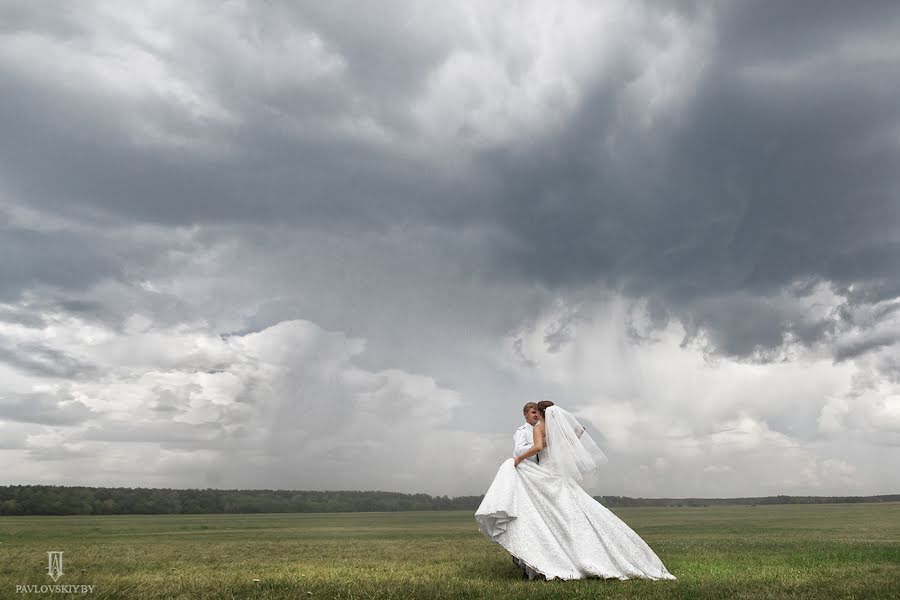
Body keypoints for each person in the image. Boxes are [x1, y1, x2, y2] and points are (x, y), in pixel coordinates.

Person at [475, 401, 676, 581]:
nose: (535, 415)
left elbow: (537, 448)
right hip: (555, 475)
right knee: (565, 513)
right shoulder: (543, 431)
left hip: (548, 474)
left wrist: (518, 459)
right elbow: (561, 444)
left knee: (553, 515)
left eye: (537, 412)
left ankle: (558, 556)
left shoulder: (539, 429)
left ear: (542, 414)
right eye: (531, 412)